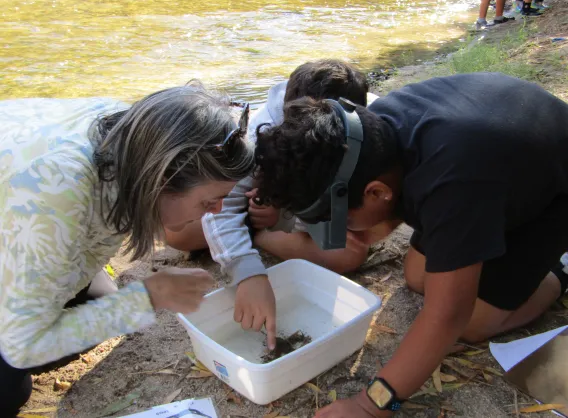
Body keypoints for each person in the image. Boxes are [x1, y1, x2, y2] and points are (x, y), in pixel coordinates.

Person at [253, 72, 568, 417]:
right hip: (497, 164)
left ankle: (559, 273)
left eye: (338, 221)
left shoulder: (453, 186)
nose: (338, 232)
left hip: (551, 192)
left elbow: (448, 315)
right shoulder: (362, 134)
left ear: (376, 192)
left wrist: (370, 405)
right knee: (418, 276)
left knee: (471, 323)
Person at [0, 85, 254, 416]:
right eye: (208, 201)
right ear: (162, 180)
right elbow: (22, 346)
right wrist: (149, 296)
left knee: (102, 300)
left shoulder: (133, 136)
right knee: (10, 389)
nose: (217, 211)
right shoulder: (60, 190)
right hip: (30, 214)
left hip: (21, 224)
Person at [164, 60, 387, 350]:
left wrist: (282, 218)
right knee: (176, 234)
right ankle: (256, 233)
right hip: (256, 204)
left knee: (350, 254)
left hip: (298, 215)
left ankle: (262, 234)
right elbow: (228, 201)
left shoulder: (367, 126)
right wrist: (246, 270)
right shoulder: (258, 134)